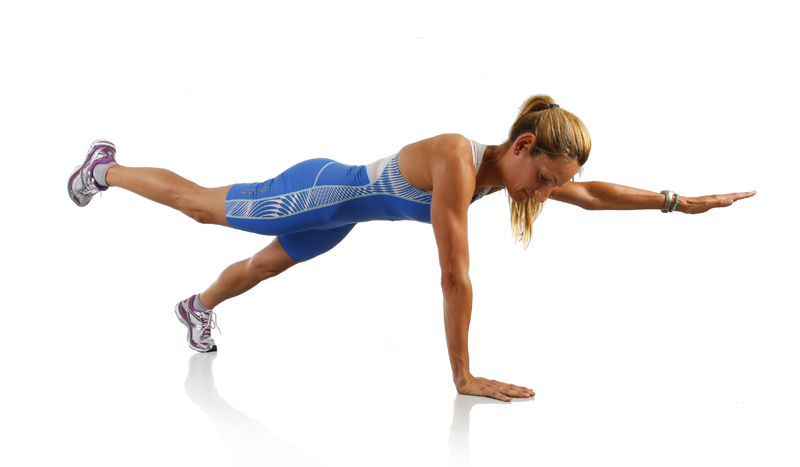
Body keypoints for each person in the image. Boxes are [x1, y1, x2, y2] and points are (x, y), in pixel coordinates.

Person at [67, 95, 755, 402]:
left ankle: (197, 305)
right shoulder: (458, 160)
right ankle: (107, 168)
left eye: (553, 184)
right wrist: (464, 375)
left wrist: (677, 201)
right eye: (545, 179)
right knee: (201, 206)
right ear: (523, 146)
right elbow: (455, 276)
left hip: (338, 218)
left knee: (263, 266)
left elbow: (595, 194)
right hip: (317, 191)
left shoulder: (506, 175)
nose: (547, 193)